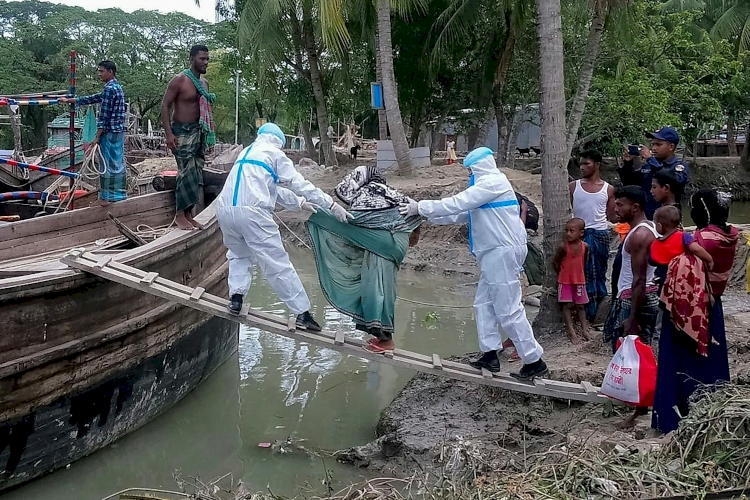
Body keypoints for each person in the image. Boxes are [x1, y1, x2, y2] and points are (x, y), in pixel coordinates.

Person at [399, 147, 547, 380]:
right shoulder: (486, 189)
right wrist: (422, 212)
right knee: (483, 304)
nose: (469, 175)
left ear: (478, 168)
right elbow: (459, 214)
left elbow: (459, 203)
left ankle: (533, 360)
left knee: (508, 310)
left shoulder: (492, 184)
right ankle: (490, 353)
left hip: (501, 252)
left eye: (470, 170)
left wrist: (422, 206)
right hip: (494, 253)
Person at [215, 122, 353, 331]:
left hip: (225, 211)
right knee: (276, 263)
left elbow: (268, 188)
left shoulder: (246, 152)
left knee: (238, 254)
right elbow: (299, 183)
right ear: (278, 142)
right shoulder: (274, 154)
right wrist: (331, 204)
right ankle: (302, 313)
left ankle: (236, 298)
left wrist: (299, 203)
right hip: (254, 214)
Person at [306, 166, 422, 353]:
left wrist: (324, 215)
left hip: (384, 243)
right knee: (381, 285)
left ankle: (386, 340)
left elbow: (355, 221)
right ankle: (381, 338)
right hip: (396, 244)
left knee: (374, 287)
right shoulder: (391, 192)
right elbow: (416, 217)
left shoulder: (367, 192)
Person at [652, 190, 739, 434]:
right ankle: (712, 413)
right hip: (715, 305)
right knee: (712, 359)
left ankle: (676, 418)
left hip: (687, 309)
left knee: (683, 362)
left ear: (702, 210)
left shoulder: (698, 240)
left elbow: (673, 267)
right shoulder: (730, 235)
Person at [603, 186, 660, 428]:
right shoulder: (650, 228)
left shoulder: (639, 235)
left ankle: (640, 410)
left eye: (620, 205)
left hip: (635, 298)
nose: (615, 209)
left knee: (636, 353)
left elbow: (638, 279)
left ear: (635, 207)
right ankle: (639, 404)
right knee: (640, 353)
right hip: (639, 296)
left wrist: (631, 318)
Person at [161, 44, 217, 230]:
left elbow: (207, 111)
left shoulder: (205, 84)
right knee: (185, 172)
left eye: (207, 59)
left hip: (199, 133)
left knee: (196, 173)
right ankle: (179, 214)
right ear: (192, 58)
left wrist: (209, 135)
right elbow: (165, 106)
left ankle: (189, 214)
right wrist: (169, 134)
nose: (205, 62)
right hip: (181, 132)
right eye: (202, 58)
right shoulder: (180, 80)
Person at [59, 61, 126, 206]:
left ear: (110, 72)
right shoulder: (116, 87)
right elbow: (95, 98)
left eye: (101, 71)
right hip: (118, 131)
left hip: (109, 132)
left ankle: (105, 198)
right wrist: (72, 100)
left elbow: (104, 116)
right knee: (117, 163)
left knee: (105, 164)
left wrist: (97, 137)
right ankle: (118, 195)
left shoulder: (109, 89)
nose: (99, 74)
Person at [570, 149, 615, 322]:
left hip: (600, 235)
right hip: (579, 236)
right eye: (581, 163)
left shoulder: (608, 189)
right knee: (581, 274)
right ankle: (584, 312)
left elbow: (611, 216)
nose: (582, 167)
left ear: (597, 165)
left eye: (586, 163)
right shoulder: (573, 186)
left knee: (599, 272)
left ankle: (600, 312)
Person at [619, 127, 689, 220]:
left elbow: (675, 181)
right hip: (646, 218)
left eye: (658, 144)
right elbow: (630, 185)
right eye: (653, 144)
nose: (654, 148)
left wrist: (650, 159)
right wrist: (628, 163)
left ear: (671, 147)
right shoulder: (647, 166)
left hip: (668, 219)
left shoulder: (679, 167)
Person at [650, 205, 713, 291]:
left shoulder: (655, 243)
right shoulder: (683, 236)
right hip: (683, 278)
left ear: (660, 226)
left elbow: (651, 261)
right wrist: (709, 259)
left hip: (664, 279)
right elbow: (696, 249)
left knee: (664, 299)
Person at [553, 218, 591, 344]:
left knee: (581, 306)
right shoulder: (563, 247)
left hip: (579, 280)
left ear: (581, 233)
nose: (568, 233)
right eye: (567, 231)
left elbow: (584, 262)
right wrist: (563, 275)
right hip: (565, 281)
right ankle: (571, 332)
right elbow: (556, 263)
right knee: (567, 305)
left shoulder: (585, 247)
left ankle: (585, 329)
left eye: (572, 231)